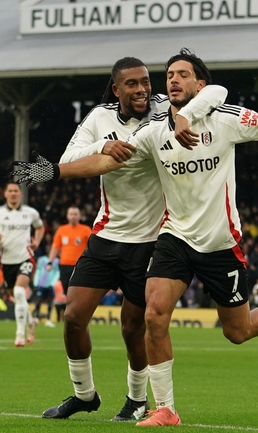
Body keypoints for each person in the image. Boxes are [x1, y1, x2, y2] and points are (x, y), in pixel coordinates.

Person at [14, 48, 258, 426]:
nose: (172, 80)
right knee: (154, 315)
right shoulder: (153, 130)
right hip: (173, 236)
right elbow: (107, 161)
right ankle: (165, 408)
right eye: (169, 74)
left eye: (182, 74)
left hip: (220, 242)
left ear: (199, 84)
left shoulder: (225, 119)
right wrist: (54, 171)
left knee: (237, 331)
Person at [39, 56, 228, 422]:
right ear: (116, 89)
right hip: (106, 235)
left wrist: (186, 115)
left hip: (151, 240)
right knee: (74, 317)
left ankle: (137, 400)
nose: (143, 89)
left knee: (132, 327)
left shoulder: (166, 107)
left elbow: (216, 92)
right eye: (132, 84)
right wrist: (102, 146)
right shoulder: (100, 117)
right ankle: (84, 395)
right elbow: (69, 157)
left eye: (146, 82)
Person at [0, 182, 44, 347]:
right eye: (10, 191)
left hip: (25, 258)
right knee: (17, 297)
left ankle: (19, 334)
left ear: (20, 194)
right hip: (7, 262)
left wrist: (37, 241)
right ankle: (31, 322)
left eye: (16, 191)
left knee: (19, 291)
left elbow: (40, 228)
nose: (13, 193)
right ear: (5, 194)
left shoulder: (30, 212)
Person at [45, 206, 92, 327]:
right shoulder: (62, 230)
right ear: (67, 216)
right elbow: (55, 247)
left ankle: (78, 314)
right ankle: (71, 314)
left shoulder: (86, 230)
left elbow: (92, 246)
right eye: (71, 214)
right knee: (67, 292)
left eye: (75, 214)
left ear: (80, 216)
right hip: (64, 266)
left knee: (78, 290)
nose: (73, 216)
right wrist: (50, 262)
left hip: (79, 265)